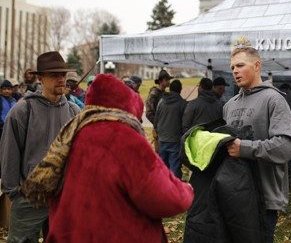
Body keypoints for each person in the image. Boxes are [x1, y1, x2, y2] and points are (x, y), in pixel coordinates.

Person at [21, 74, 194, 242]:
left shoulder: (75, 132)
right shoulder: (125, 137)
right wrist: (186, 190)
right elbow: (163, 198)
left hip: (73, 233)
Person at [0, 51, 80, 243]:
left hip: (62, 198)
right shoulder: (22, 111)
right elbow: (9, 154)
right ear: (40, 78)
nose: (61, 79)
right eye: (54, 75)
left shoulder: (74, 111)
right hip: (29, 198)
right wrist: (16, 194)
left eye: (63, 74)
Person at [223, 45, 291, 243]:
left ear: (257, 66)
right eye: (232, 68)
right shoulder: (229, 106)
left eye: (240, 65)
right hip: (234, 193)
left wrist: (244, 148)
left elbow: (287, 145)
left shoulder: (274, 100)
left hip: (264, 197)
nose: (235, 71)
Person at [155, 80, 186, 178]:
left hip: (162, 139)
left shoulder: (161, 101)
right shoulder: (182, 103)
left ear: (170, 88)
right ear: (180, 90)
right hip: (175, 140)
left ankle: (163, 189)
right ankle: (175, 190)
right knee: (175, 168)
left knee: (163, 168)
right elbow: (185, 124)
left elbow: (156, 120)